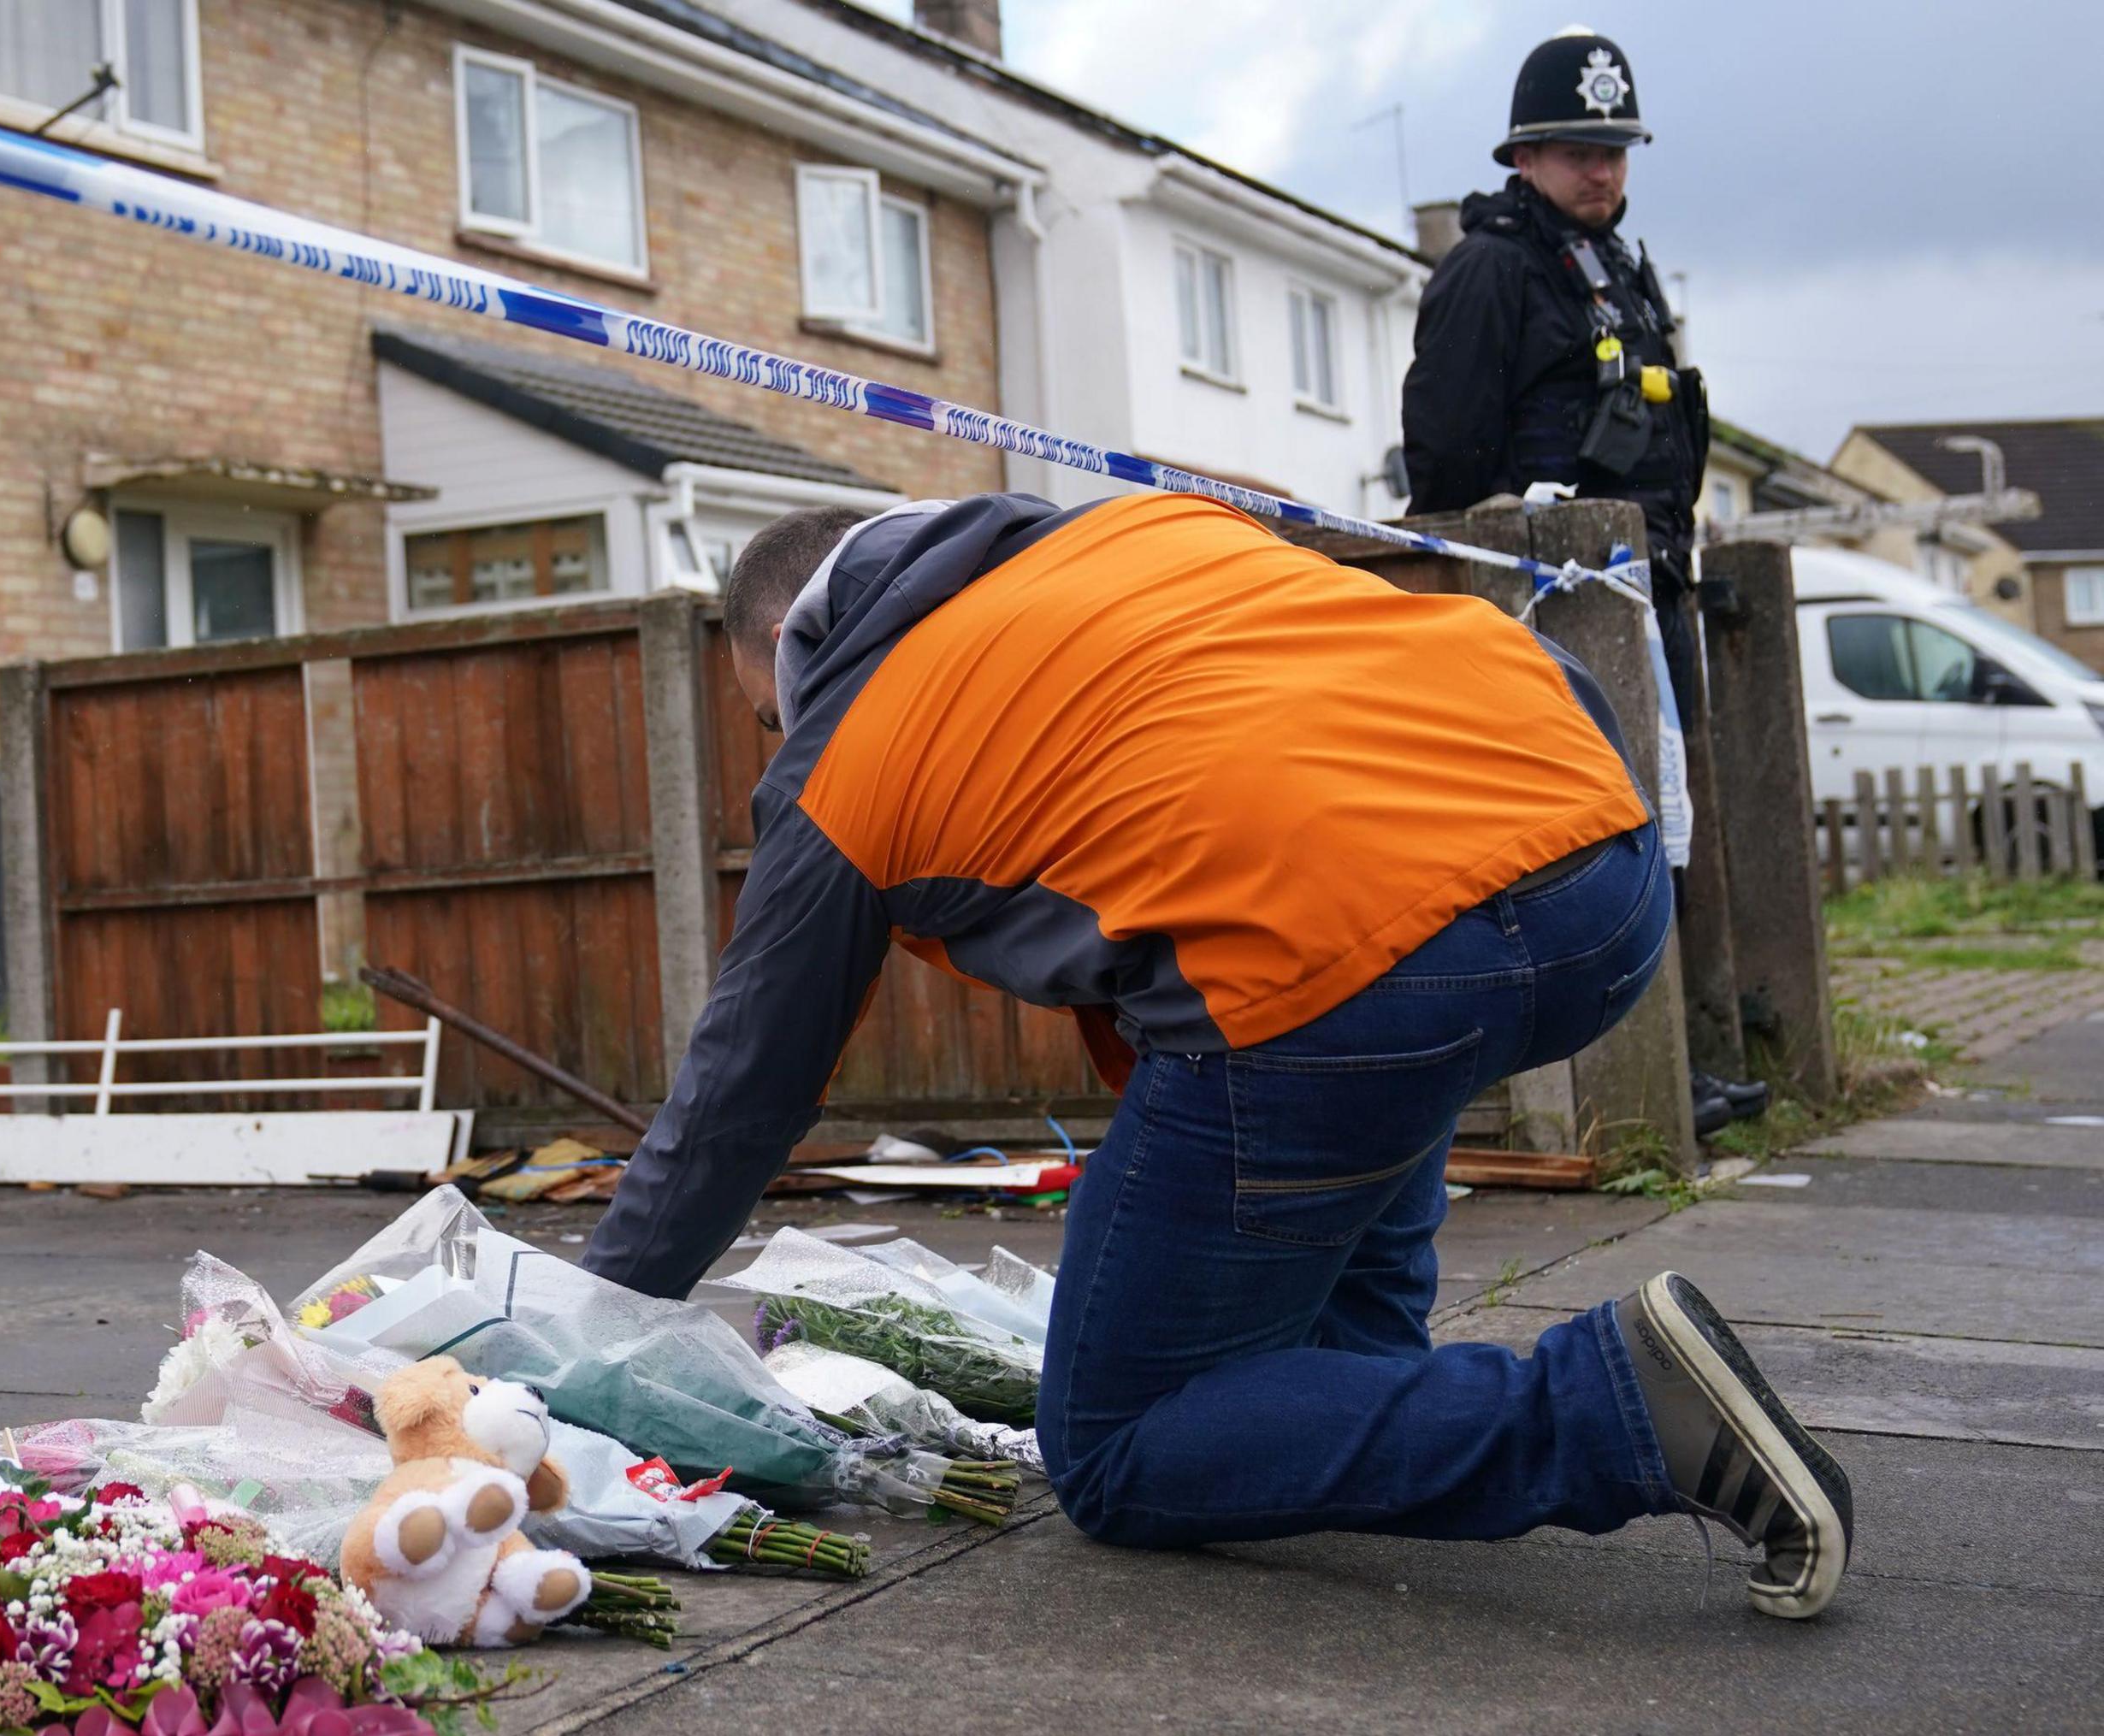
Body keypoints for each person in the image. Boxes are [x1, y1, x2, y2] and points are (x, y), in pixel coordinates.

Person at [580, 492, 1853, 1618]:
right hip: (1604, 878)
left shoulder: (846, 754)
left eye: (764, 717)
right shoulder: (1143, 536)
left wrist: (577, 1338)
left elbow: (743, 1089)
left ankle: (1613, 1411)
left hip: (1357, 968)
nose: (776, 741)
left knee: (1120, 1445)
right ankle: (1358, 1411)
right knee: (1333, 1319)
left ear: (789, 653)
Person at [1399, 26, 1766, 1134]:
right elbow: (1447, 464)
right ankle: (1618, 1079)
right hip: (1554, 609)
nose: (1599, 171)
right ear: (1523, 156)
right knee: (1581, 843)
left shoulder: (1613, 268)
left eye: (1613, 150)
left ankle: (1664, 1062)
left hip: (1648, 585)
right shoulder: (1491, 272)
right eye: (1573, 151)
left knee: (1660, 828)